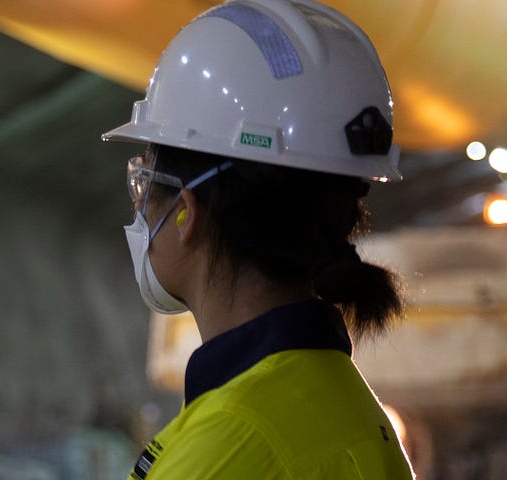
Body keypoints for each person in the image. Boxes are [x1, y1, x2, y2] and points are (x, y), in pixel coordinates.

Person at [101, 0, 415, 478]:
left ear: (186, 213)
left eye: (146, 182)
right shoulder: (344, 403)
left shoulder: (232, 445)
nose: (140, 208)